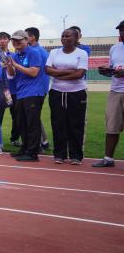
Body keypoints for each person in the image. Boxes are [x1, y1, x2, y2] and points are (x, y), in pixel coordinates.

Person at [45, 29, 89, 165]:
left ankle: (76, 156)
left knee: (76, 124)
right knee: (58, 123)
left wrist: (57, 73)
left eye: (68, 36)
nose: (64, 38)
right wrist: (69, 72)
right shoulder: (54, 52)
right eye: (62, 36)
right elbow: (47, 70)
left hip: (76, 93)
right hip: (57, 92)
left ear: (76, 38)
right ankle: (59, 154)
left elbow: (79, 74)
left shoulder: (81, 53)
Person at [6, 30, 45, 162]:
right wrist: (9, 66)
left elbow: (34, 72)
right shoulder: (16, 55)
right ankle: (25, 148)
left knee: (32, 123)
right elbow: (12, 74)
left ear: (26, 40)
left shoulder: (34, 53)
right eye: (14, 40)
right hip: (21, 92)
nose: (16, 42)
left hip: (34, 92)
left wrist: (16, 65)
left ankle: (33, 152)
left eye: (19, 40)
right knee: (21, 122)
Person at [94, 20, 124, 167]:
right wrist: (106, 71)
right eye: (121, 30)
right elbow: (113, 68)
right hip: (116, 91)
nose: (122, 33)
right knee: (112, 125)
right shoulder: (115, 48)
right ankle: (108, 159)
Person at [25, 27, 51, 151]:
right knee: (34, 117)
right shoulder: (39, 51)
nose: (23, 40)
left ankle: (37, 145)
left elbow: (35, 72)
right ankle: (44, 141)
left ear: (32, 37)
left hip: (36, 89)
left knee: (33, 118)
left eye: (25, 37)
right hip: (36, 88)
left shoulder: (36, 52)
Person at [0, 31, 21, 146]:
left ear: (9, 41)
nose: (2, 40)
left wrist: (8, 65)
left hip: (13, 90)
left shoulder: (13, 55)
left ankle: (14, 138)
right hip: (1, 90)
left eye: (5, 38)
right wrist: (2, 65)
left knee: (16, 116)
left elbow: (15, 71)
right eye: (0, 38)